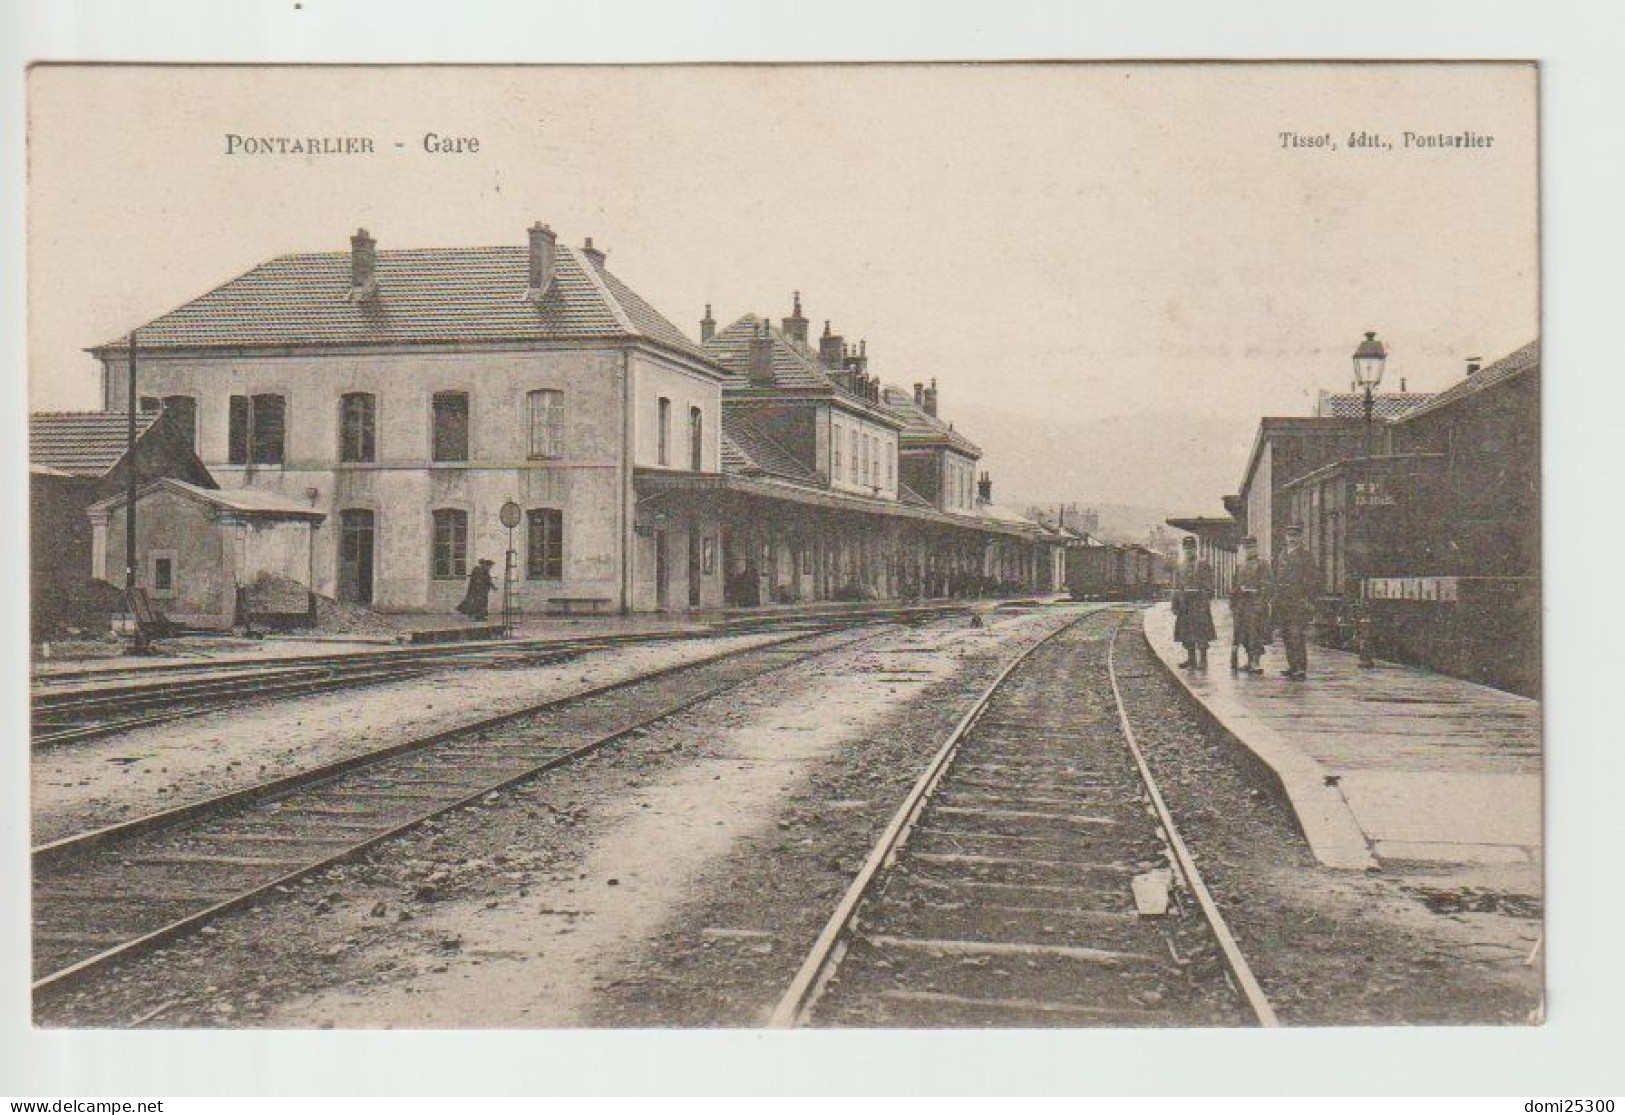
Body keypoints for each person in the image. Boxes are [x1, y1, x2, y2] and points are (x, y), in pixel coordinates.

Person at [1271, 523, 1320, 681]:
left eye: (1295, 536)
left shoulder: (1306, 556)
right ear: (1285, 537)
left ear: (1300, 538)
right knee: (1286, 634)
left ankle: (1300, 668)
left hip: (1297, 601)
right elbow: (1275, 577)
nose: (1292, 539)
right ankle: (1292, 666)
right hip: (1282, 602)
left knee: (1296, 634)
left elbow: (1312, 579)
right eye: (1289, 536)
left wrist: (1306, 597)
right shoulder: (1281, 555)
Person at [1171, 536, 1217, 669]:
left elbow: (1210, 585)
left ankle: (1203, 659)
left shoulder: (1202, 564)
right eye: (1186, 548)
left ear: (1195, 549)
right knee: (1186, 632)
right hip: (1185, 604)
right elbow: (1177, 586)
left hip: (1199, 604)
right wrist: (1175, 603)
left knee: (1201, 632)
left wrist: (1202, 593)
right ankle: (1191, 659)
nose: (1188, 551)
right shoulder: (1181, 566)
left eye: (1191, 548)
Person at [1229, 536, 1271, 674]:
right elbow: (1234, 586)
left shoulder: (1263, 565)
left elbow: (1267, 586)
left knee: (1255, 633)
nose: (1249, 551)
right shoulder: (1240, 566)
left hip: (1255, 603)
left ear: (1256, 548)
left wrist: (1261, 602)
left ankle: (1256, 661)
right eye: (1247, 548)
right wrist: (1233, 601)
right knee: (1243, 634)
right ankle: (1248, 660)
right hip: (1242, 605)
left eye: (1252, 547)